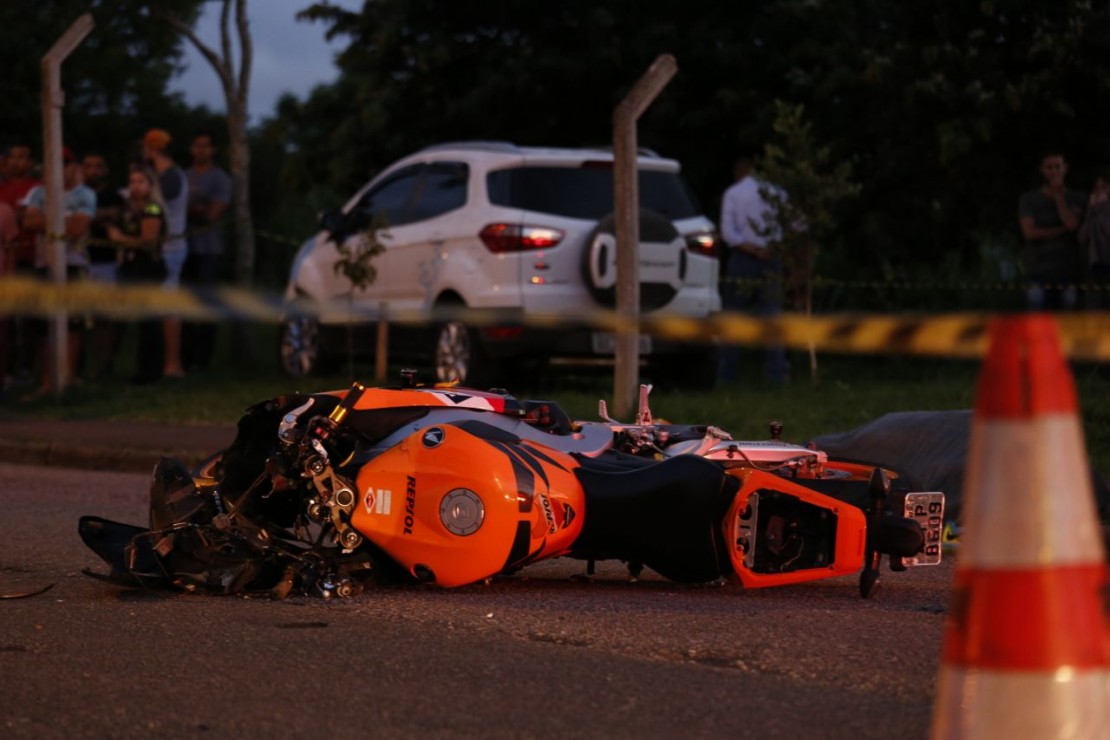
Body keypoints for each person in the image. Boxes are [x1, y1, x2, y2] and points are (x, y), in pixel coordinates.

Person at [20, 147, 97, 395]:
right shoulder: (38, 193)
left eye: (64, 164)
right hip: (44, 264)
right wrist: (64, 219)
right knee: (44, 326)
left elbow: (78, 228)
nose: (59, 169)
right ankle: (46, 381)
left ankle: (68, 378)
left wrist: (48, 220)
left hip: (74, 264)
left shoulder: (85, 194)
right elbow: (29, 223)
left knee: (72, 325)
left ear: (72, 167)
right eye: (55, 164)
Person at [718, 156, 789, 384]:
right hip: (773, 256)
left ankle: (728, 374)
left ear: (739, 172)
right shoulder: (777, 192)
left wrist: (752, 249)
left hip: (743, 257)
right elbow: (791, 225)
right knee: (772, 316)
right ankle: (776, 375)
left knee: (734, 315)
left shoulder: (733, 193)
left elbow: (729, 233)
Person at [107, 166, 168, 385]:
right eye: (132, 181)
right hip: (131, 268)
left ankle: (151, 371)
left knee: (149, 321)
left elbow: (147, 241)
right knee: (141, 322)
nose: (135, 186)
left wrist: (119, 237)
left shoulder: (152, 208)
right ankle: (142, 369)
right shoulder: (127, 209)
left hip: (148, 269)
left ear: (150, 185)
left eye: (141, 181)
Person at [183, 131, 233, 371]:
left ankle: (203, 360)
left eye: (206, 146)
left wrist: (188, 208)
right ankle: (185, 356)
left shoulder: (220, 178)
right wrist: (197, 207)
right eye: (197, 145)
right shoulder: (184, 177)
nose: (201, 150)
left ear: (213, 150)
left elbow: (212, 214)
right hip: (185, 251)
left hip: (209, 251)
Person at [142, 128, 188, 379]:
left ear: (153, 149)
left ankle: (173, 364)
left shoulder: (169, 177)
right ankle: (164, 362)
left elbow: (156, 208)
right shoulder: (165, 175)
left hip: (170, 248)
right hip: (164, 246)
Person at [1017, 150, 1086, 310]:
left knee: (1068, 320)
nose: (1054, 171)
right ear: (1042, 170)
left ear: (1065, 168)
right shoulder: (1029, 199)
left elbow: (1072, 224)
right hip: (1037, 271)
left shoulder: (1077, 198)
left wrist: (1059, 198)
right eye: (1049, 167)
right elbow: (1029, 232)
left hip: (1068, 272)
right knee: (1037, 320)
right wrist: (1061, 230)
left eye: (1057, 167)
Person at [82, 151, 126, 379]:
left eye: (98, 166)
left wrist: (87, 217)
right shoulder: (75, 193)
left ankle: (102, 367)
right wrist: (99, 216)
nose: (94, 171)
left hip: (105, 263)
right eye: (89, 166)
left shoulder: (113, 195)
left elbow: (117, 215)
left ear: (105, 170)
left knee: (105, 319)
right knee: (76, 320)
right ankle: (77, 368)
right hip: (79, 263)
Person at [1079, 176, 1110, 309]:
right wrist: (1091, 211)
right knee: (1094, 306)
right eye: (1096, 187)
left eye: (1103, 186)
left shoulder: (1102, 211)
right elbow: (1082, 237)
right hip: (1096, 266)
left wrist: (1101, 208)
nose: (1099, 191)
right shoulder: (1094, 211)